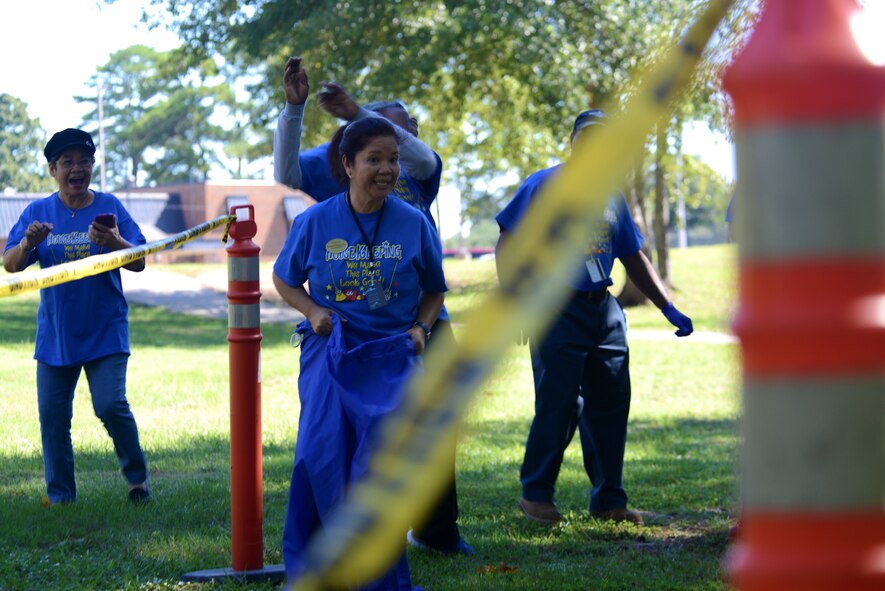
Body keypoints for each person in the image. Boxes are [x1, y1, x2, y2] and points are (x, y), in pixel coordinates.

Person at [274, 56, 473, 555]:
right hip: (350, 334)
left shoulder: (417, 175)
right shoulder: (335, 178)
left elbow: (421, 158)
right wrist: (294, 111)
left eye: (400, 143)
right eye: (378, 150)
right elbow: (287, 171)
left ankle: (437, 530)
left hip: (418, 326)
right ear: (349, 161)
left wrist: (361, 114)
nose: (391, 161)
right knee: (344, 437)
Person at [495, 109, 694, 526]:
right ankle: (535, 495)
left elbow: (631, 254)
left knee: (610, 402)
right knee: (560, 402)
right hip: (554, 307)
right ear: (573, 142)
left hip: (602, 309)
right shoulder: (543, 185)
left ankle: (609, 500)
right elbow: (508, 241)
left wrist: (666, 304)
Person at [3, 128, 151, 506]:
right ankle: (62, 498)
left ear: (92, 166)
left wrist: (114, 244)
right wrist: (27, 244)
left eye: (84, 161)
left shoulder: (111, 205)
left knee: (110, 405)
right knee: (53, 419)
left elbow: (140, 260)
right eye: (67, 162)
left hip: (105, 330)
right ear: (53, 169)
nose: (76, 169)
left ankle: (137, 481)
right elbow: (10, 265)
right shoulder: (38, 212)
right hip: (57, 335)